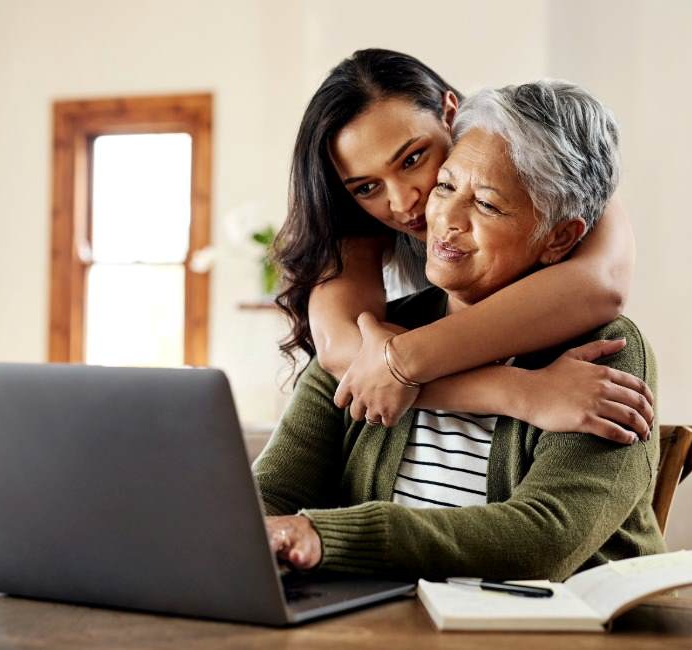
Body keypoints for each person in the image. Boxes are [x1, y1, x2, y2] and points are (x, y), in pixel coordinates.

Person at [255, 81, 666, 580]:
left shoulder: (610, 351)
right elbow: (271, 491)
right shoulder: (375, 338)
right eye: (446, 187)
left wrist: (329, 536)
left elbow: (543, 540)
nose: (441, 218)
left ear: (559, 238)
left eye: (488, 205)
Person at [274, 49, 653, 443]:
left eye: (412, 159)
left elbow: (600, 284)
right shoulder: (356, 226)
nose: (404, 203)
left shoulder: (545, 163)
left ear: (450, 114)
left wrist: (403, 361)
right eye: (368, 187)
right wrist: (518, 392)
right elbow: (343, 352)